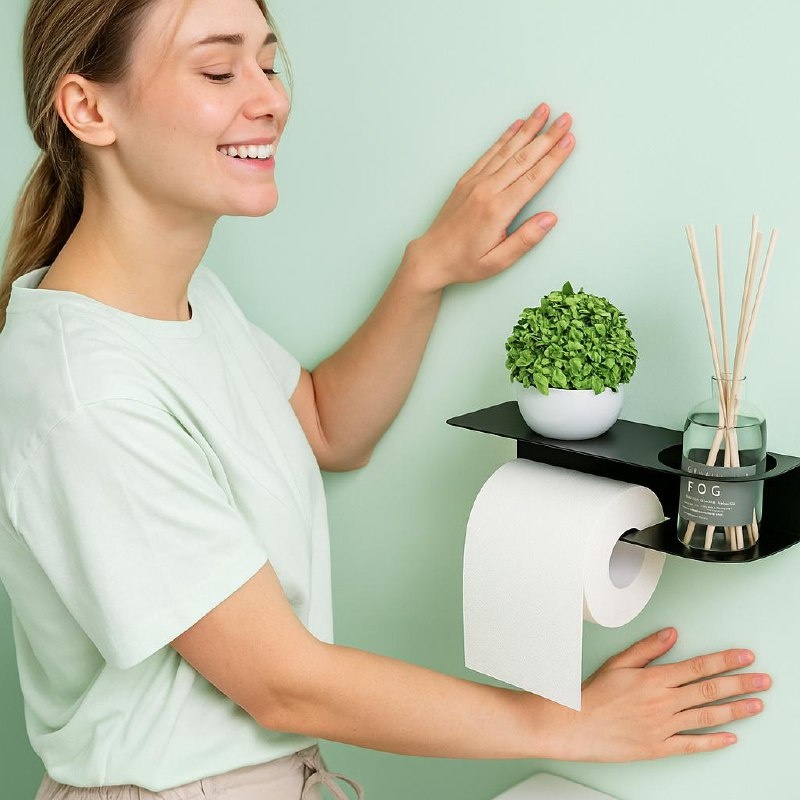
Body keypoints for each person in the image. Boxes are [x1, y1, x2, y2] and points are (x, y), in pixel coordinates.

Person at [0, 0, 771, 798]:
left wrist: (426, 270)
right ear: (89, 108)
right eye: (219, 70)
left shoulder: (183, 304)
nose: (270, 98)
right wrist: (566, 725)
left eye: (268, 63)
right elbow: (281, 682)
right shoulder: (84, 394)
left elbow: (326, 425)